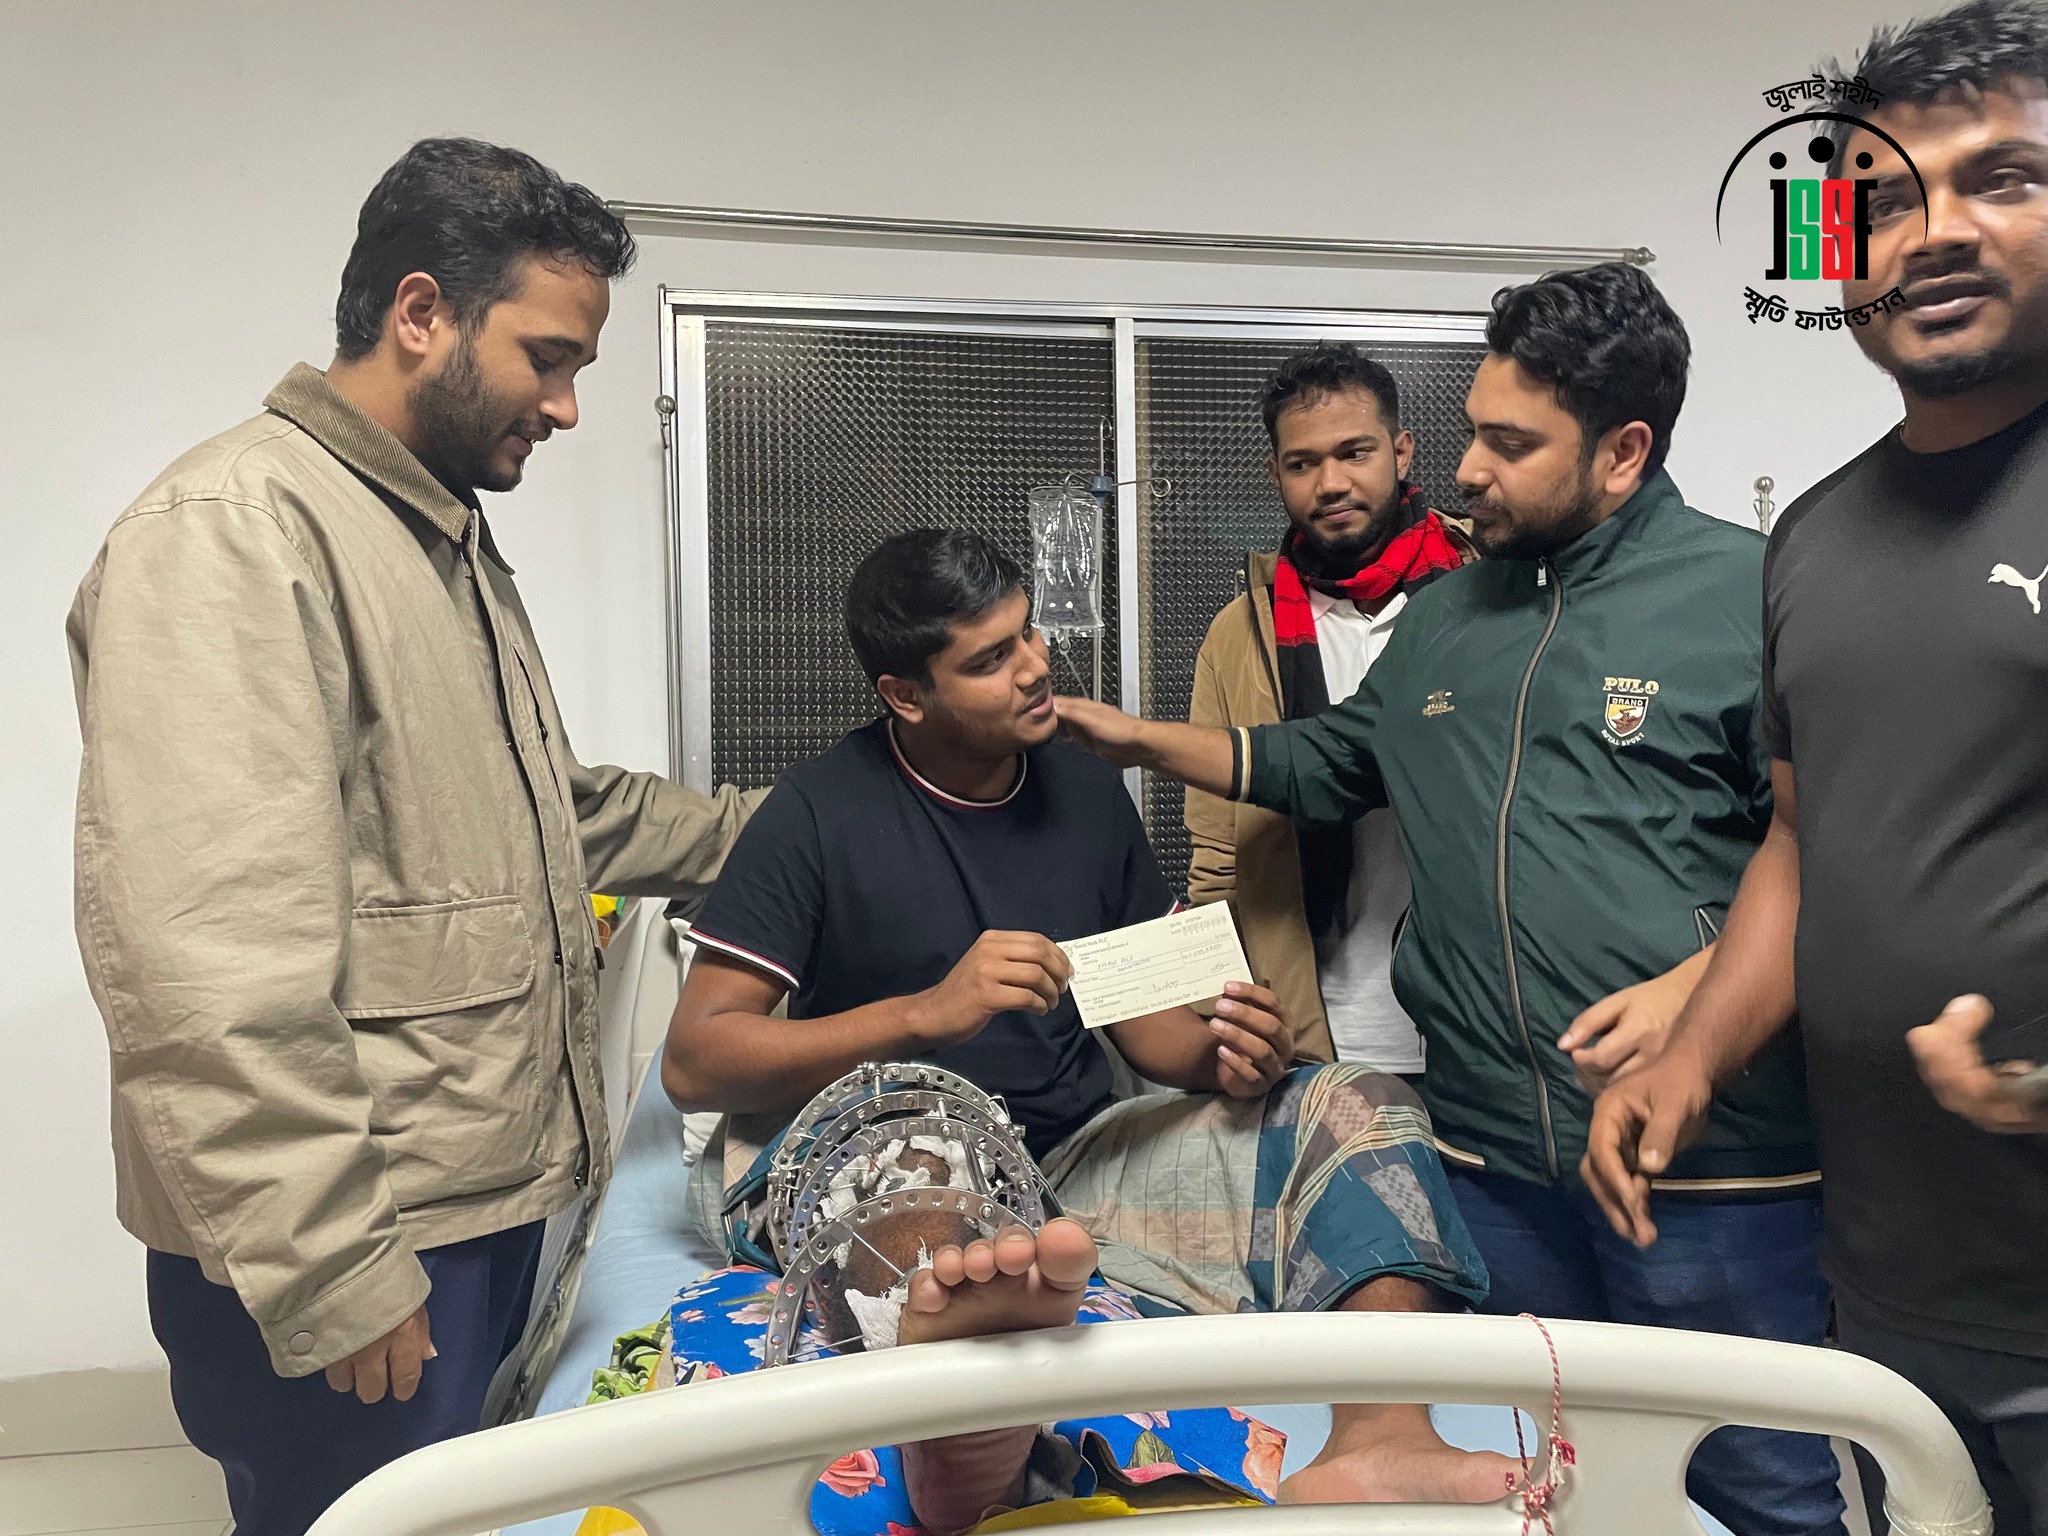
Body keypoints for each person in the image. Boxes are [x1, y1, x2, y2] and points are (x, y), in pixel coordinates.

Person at [1056, 264, 1848, 1536]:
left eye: (1509, 443)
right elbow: (1329, 760)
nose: (1468, 470)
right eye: (1473, 430)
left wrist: (1695, 994)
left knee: (1756, 1490)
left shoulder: (1749, 596)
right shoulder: (1447, 617)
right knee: (1546, 1484)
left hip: (1705, 1169)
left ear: (1621, 452)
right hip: (1487, 1165)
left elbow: (1835, 862)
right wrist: (1138, 740)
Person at [68, 139, 759, 1536]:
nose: (565, 408)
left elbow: (553, 812)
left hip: (464, 1202)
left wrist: (805, 830)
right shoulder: (238, 532)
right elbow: (204, 960)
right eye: (547, 359)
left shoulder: (432, 537)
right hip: (365, 1235)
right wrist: (334, 1264)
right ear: (422, 311)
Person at [662, 527, 1519, 1534]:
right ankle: (962, 1438)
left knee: (1355, 1101)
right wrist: (923, 1016)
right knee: (921, 1161)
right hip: (888, 1143)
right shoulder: (813, 814)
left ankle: (1380, 1438)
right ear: (905, 695)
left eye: (1028, 634)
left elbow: (1149, 1029)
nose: (1034, 668)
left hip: (1069, 1161)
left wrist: (1228, 1057)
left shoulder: (1084, 793)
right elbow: (695, 1061)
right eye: (989, 659)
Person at [1582, 5, 2048, 1529]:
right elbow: (1801, 839)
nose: (1934, 232)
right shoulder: (1816, 536)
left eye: (2003, 177)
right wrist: (1692, 1056)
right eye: (1886, 199)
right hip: (1891, 1279)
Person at [1185, 342, 1476, 1072]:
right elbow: (1219, 861)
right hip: (1317, 1030)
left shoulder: (1489, 597)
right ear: (1275, 474)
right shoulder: (1239, 637)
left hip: (1482, 1027)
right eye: (1302, 463)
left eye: (1355, 452)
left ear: (1401, 451)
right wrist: (1232, 1025)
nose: (1331, 483)